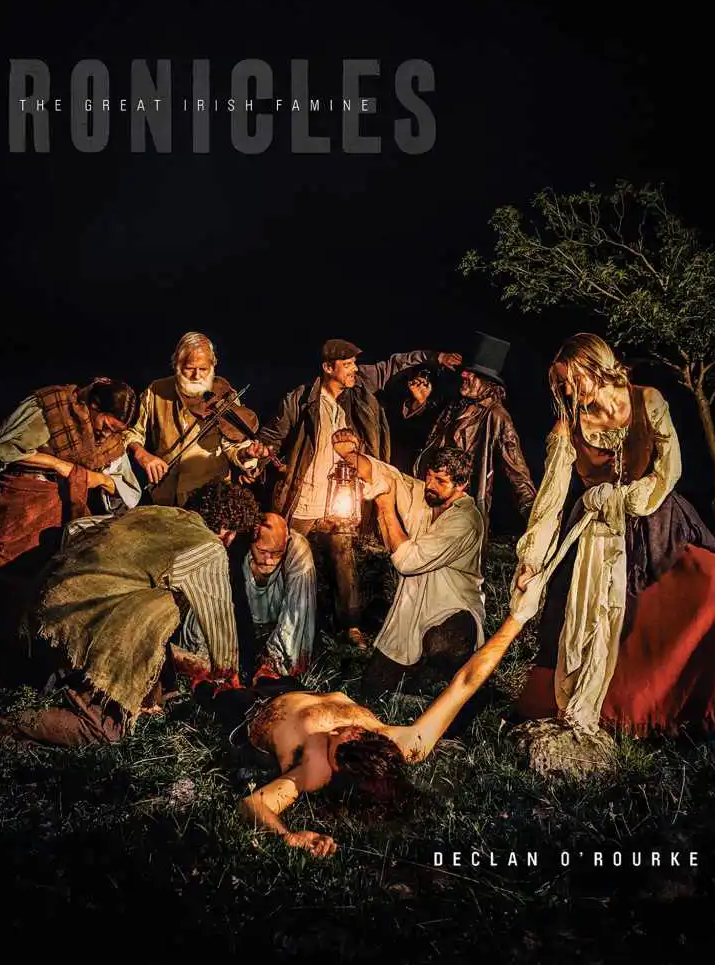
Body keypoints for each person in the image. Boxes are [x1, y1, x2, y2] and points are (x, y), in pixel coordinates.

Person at [510, 333, 715, 739]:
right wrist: (531, 560)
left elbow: (669, 469)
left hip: (657, 523)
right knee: (603, 626)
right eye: (560, 384)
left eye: (570, 379)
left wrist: (630, 500)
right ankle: (628, 715)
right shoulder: (568, 428)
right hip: (596, 532)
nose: (565, 390)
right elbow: (550, 499)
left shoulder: (647, 401)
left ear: (595, 366)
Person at [184, 567, 546, 856]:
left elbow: (252, 805)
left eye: (336, 742)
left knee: (205, 649)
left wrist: (288, 836)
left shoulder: (315, 771)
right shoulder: (406, 743)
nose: (336, 731)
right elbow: (464, 683)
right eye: (349, 733)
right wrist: (517, 618)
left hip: (246, 708)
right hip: (286, 685)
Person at [0, 482, 261, 748]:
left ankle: (56, 680)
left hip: (45, 613)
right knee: (106, 731)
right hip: (85, 632)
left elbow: (78, 528)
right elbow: (218, 617)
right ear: (227, 529)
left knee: (152, 606)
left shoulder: (156, 512)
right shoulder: (209, 547)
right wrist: (228, 673)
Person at [255, 338, 462, 647]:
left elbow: (394, 365)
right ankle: (273, 616)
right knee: (286, 555)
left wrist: (434, 357)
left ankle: (350, 626)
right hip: (304, 498)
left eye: (354, 363)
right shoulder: (301, 399)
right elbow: (273, 435)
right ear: (328, 368)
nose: (354, 369)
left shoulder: (359, 388)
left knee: (343, 555)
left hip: (337, 500)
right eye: (347, 364)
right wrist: (257, 455)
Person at [338, 443, 485, 711]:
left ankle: (443, 686)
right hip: (411, 611)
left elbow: (408, 562)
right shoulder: (424, 495)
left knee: (443, 645)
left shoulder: (465, 521)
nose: (431, 485)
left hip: (451, 609)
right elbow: (385, 474)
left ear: (461, 485)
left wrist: (386, 509)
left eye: (441, 481)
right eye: (429, 475)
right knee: (371, 690)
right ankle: (414, 687)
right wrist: (349, 454)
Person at [0, 377, 142, 570]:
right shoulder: (52, 407)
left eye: (115, 431)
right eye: (106, 426)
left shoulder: (112, 440)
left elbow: (126, 490)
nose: (107, 434)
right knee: (15, 567)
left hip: (64, 510)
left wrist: (99, 479)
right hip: (26, 500)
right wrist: (56, 464)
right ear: (94, 405)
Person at [416, 331, 537, 539]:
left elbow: (517, 472)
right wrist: (419, 404)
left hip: (462, 512)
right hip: (429, 500)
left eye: (473, 374)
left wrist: (535, 517)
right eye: (466, 371)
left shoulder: (496, 416)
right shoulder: (455, 405)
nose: (464, 375)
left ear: (489, 383)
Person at [124, 331, 263, 507]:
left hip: (209, 496)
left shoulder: (224, 395)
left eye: (203, 369)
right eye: (189, 368)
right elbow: (132, 432)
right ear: (176, 365)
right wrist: (142, 454)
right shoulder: (156, 391)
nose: (197, 376)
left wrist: (245, 454)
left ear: (213, 366)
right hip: (165, 494)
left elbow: (233, 445)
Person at [181, 512, 317, 680]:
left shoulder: (296, 549)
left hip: (274, 627)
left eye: (277, 552)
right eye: (262, 551)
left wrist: (274, 662)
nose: (269, 560)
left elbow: (297, 612)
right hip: (238, 625)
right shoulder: (235, 546)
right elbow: (209, 597)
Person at [386, 366, 442, 475]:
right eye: (417, 377)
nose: (420, 384)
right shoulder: (394, 402)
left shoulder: (436, 414)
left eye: (425, 382)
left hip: (409, 469)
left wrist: (421, 401)